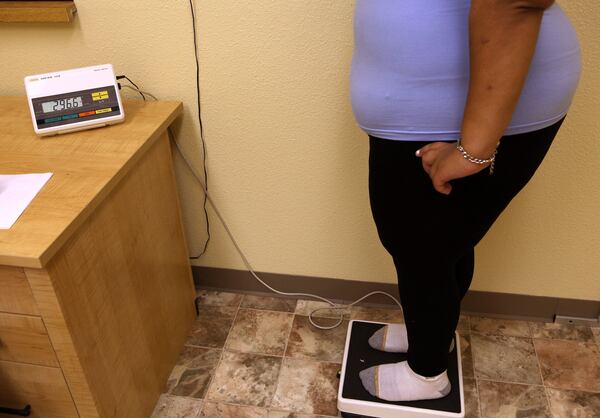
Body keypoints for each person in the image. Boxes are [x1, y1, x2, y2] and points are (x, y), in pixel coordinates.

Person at [350, 0, 581, 402]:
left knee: (422, 250)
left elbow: (516, 2)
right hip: (437, 103)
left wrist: (473, 150)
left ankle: (426, 373)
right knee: (438, 246)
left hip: (458, 111)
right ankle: (432, 337)